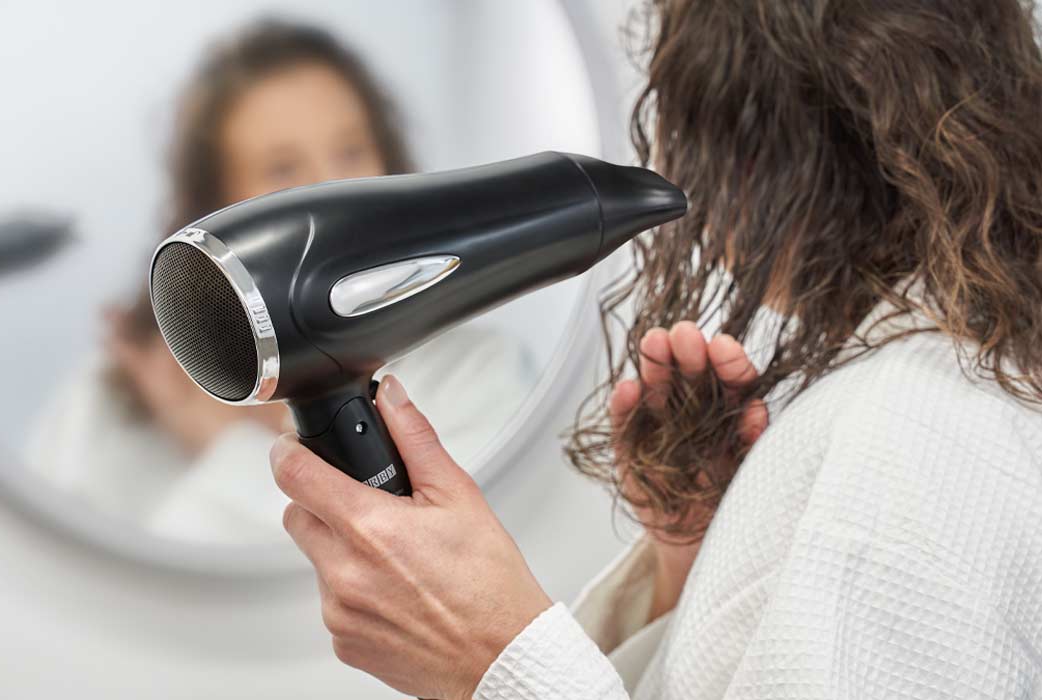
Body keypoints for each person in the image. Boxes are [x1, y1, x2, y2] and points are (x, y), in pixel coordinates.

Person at [264, 0, 1042, 698]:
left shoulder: (912, 437)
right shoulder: (940, 381)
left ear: (754, 147)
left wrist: (491, 659)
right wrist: (703, 564)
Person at [28, 19, 535, 544]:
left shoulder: (476, 371)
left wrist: (218, 443)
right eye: (282, 169)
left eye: (350, 151)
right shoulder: (108, 401)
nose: (330, 190)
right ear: (219, 206)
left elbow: (435, 576)